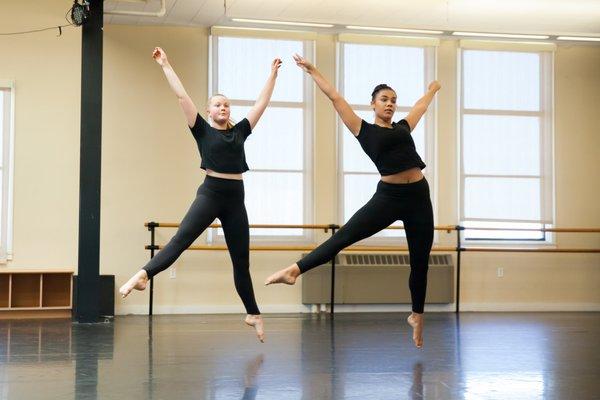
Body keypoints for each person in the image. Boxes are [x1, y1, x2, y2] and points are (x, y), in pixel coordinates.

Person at [265, 54, 441, 348]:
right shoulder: (363, 130)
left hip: (419, 195)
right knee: (346, 235)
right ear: (373, 103)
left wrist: (433, 89)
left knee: (420, 260)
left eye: (394, 100)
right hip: (389, 197)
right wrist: (312, 70)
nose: (390, 104)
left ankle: (417, 316)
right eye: (384, 99)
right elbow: (335, 98)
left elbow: (421, 108)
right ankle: (294, 270)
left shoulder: (402, 128)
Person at [120, 47, 282, 343]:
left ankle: (253, 313)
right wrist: (166, 64)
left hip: (236, 199)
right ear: (208, 111)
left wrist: (272, 74)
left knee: (241, 261)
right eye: (218, 105)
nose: (223, 108)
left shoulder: (240, 132)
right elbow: (182, 97)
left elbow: (262, 103)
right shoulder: (202, 131)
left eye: (227, 105)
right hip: (210, 193)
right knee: (181, 240)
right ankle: (143, 274)